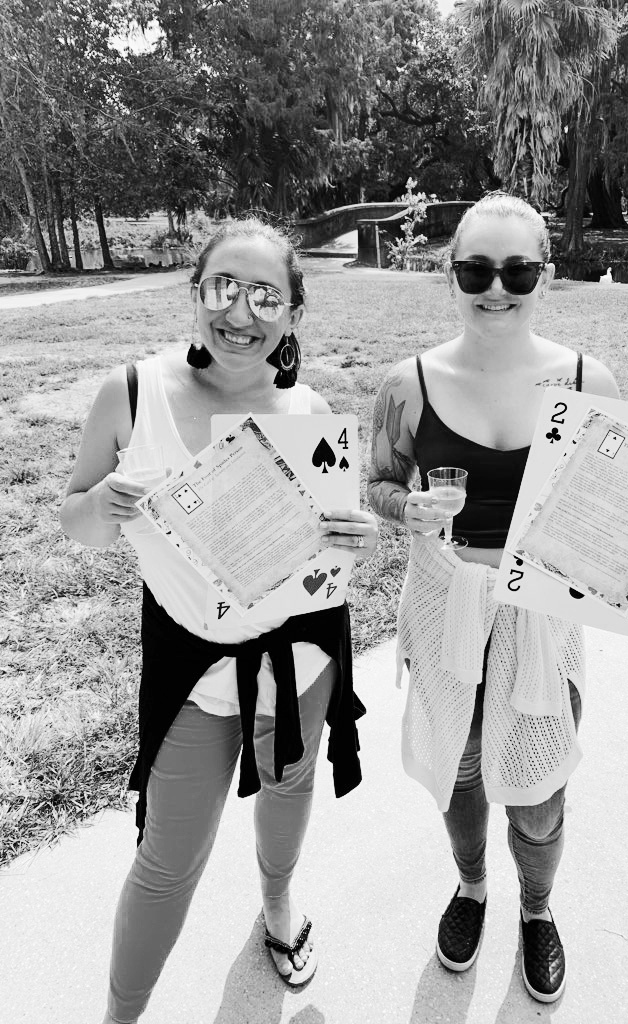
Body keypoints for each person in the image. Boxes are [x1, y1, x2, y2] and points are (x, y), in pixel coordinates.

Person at [367, 192, 628, 1003]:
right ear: (452, 273)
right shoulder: (407, 384)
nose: (496, 288)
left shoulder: (591, 380)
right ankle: (474, 887)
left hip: (542, 618)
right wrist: (402, 507)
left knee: (540, 791)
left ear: (544, 275)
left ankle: (538, 910)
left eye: (517, 269)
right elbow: (374, 482)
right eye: (477, 268)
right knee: (460, 774)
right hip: (444, 605)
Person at [60, 218, 378, 1023]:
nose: (241, 312)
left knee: (288, 785)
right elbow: (78, 524)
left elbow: (328, 551)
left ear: (294, 315)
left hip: (300, 658)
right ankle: (121, 1016)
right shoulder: (131, 393)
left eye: (266, 295)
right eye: (223, 288)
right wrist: (104, 503)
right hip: (191, 668)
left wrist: (357, 535)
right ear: (195, 293)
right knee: (167, 861)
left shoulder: (308, 408)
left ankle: (278, 903)